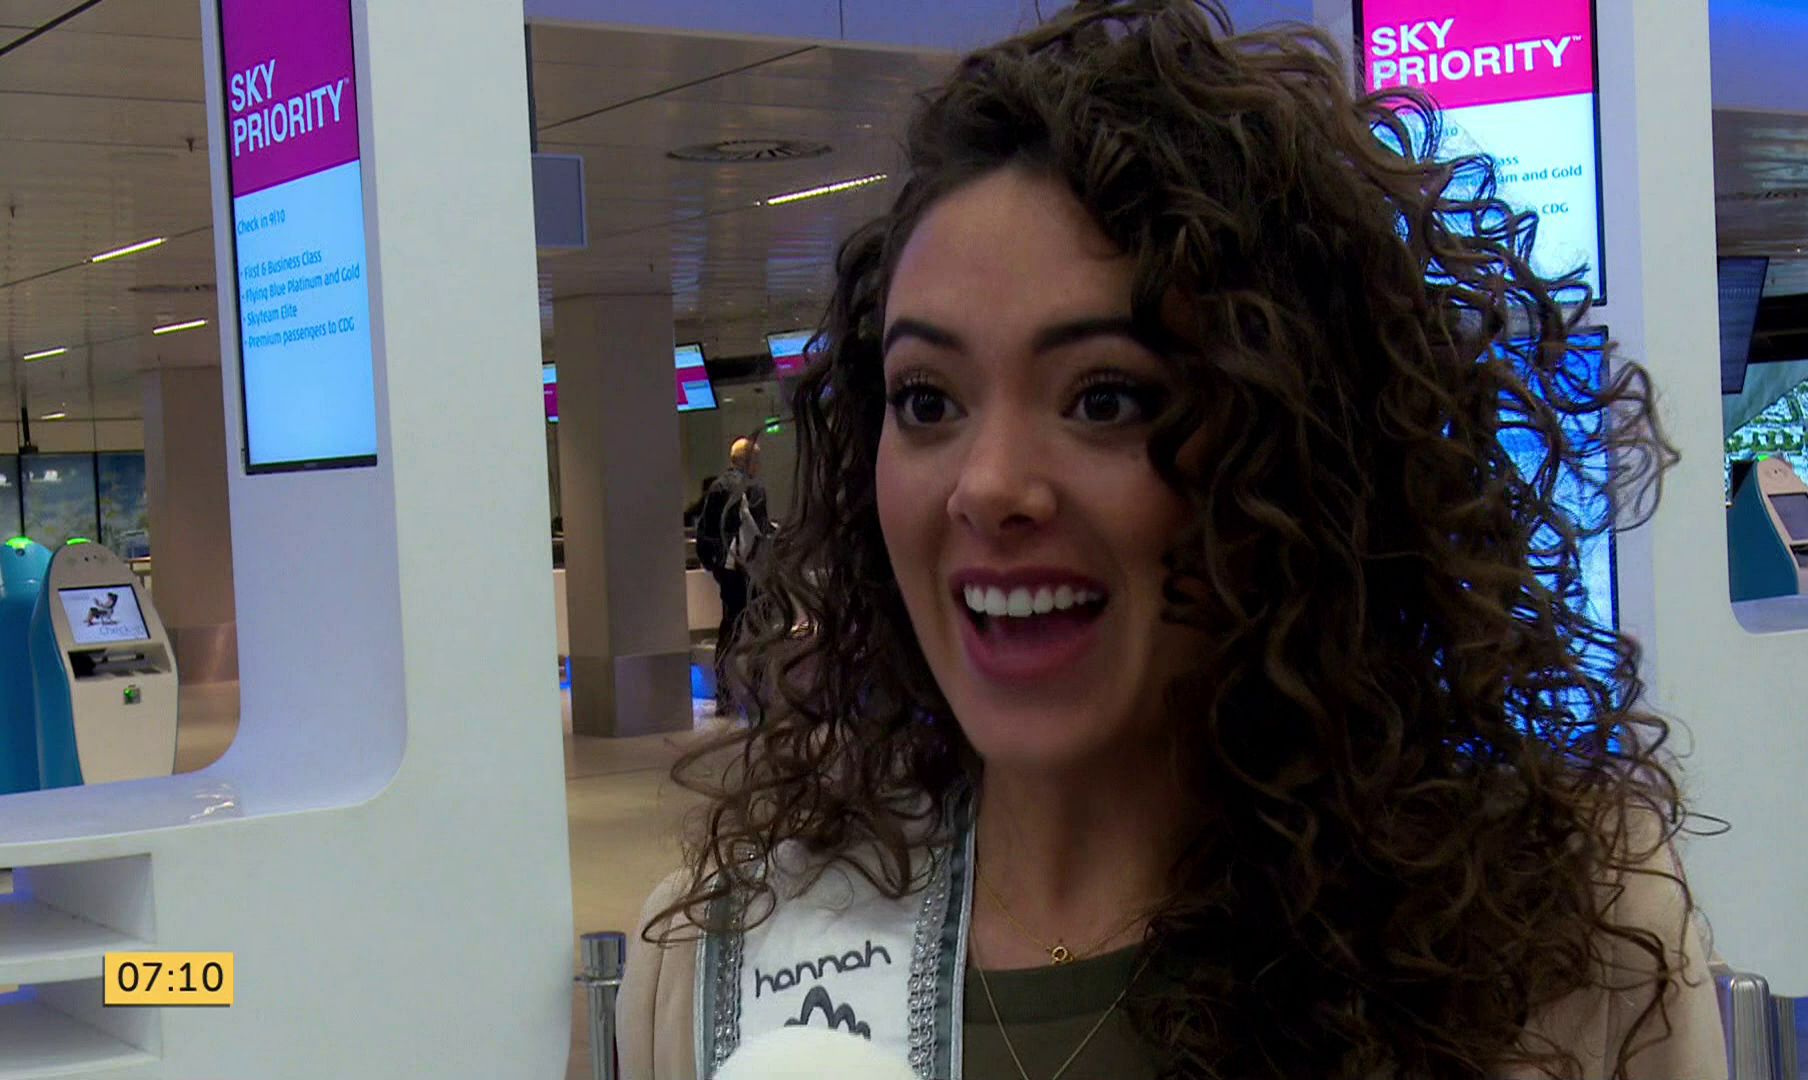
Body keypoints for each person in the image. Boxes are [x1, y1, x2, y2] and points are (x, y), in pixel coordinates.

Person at [619, 3, 1724, 1078]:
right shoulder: (725, 961)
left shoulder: (1561, 946)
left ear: (1295, 446)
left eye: (1106, 398)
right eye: (928, 400)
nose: (988, 486)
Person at [695, 438, 770, 691]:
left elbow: (705, 530)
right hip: (749, 568)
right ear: (749, 461)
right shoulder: (754, 489)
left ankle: (723, 689)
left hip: (727, 568)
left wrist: (715, 564)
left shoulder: (717, 487)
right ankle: (758, 687)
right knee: (761, 627)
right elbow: (760, 531)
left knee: (729, 627)